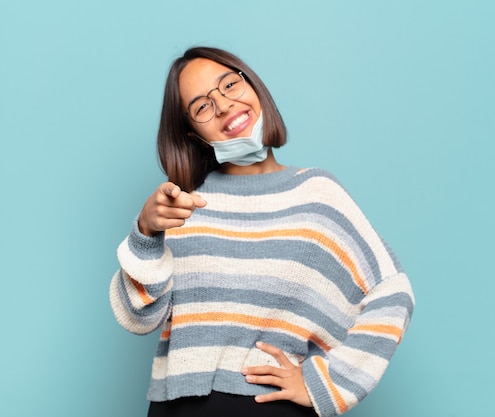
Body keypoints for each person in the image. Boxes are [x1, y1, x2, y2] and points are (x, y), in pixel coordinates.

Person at [109, 46, 414, 417]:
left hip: (271, 407)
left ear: (252, 86)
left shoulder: (318, 194)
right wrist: (146, 233)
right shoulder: (182, 205)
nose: (222, 105)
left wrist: (327, 384)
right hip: (178, 407)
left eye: (229, 85)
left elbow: (392, 291)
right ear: (192, 133)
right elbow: (138, 318)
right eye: (202, 106)